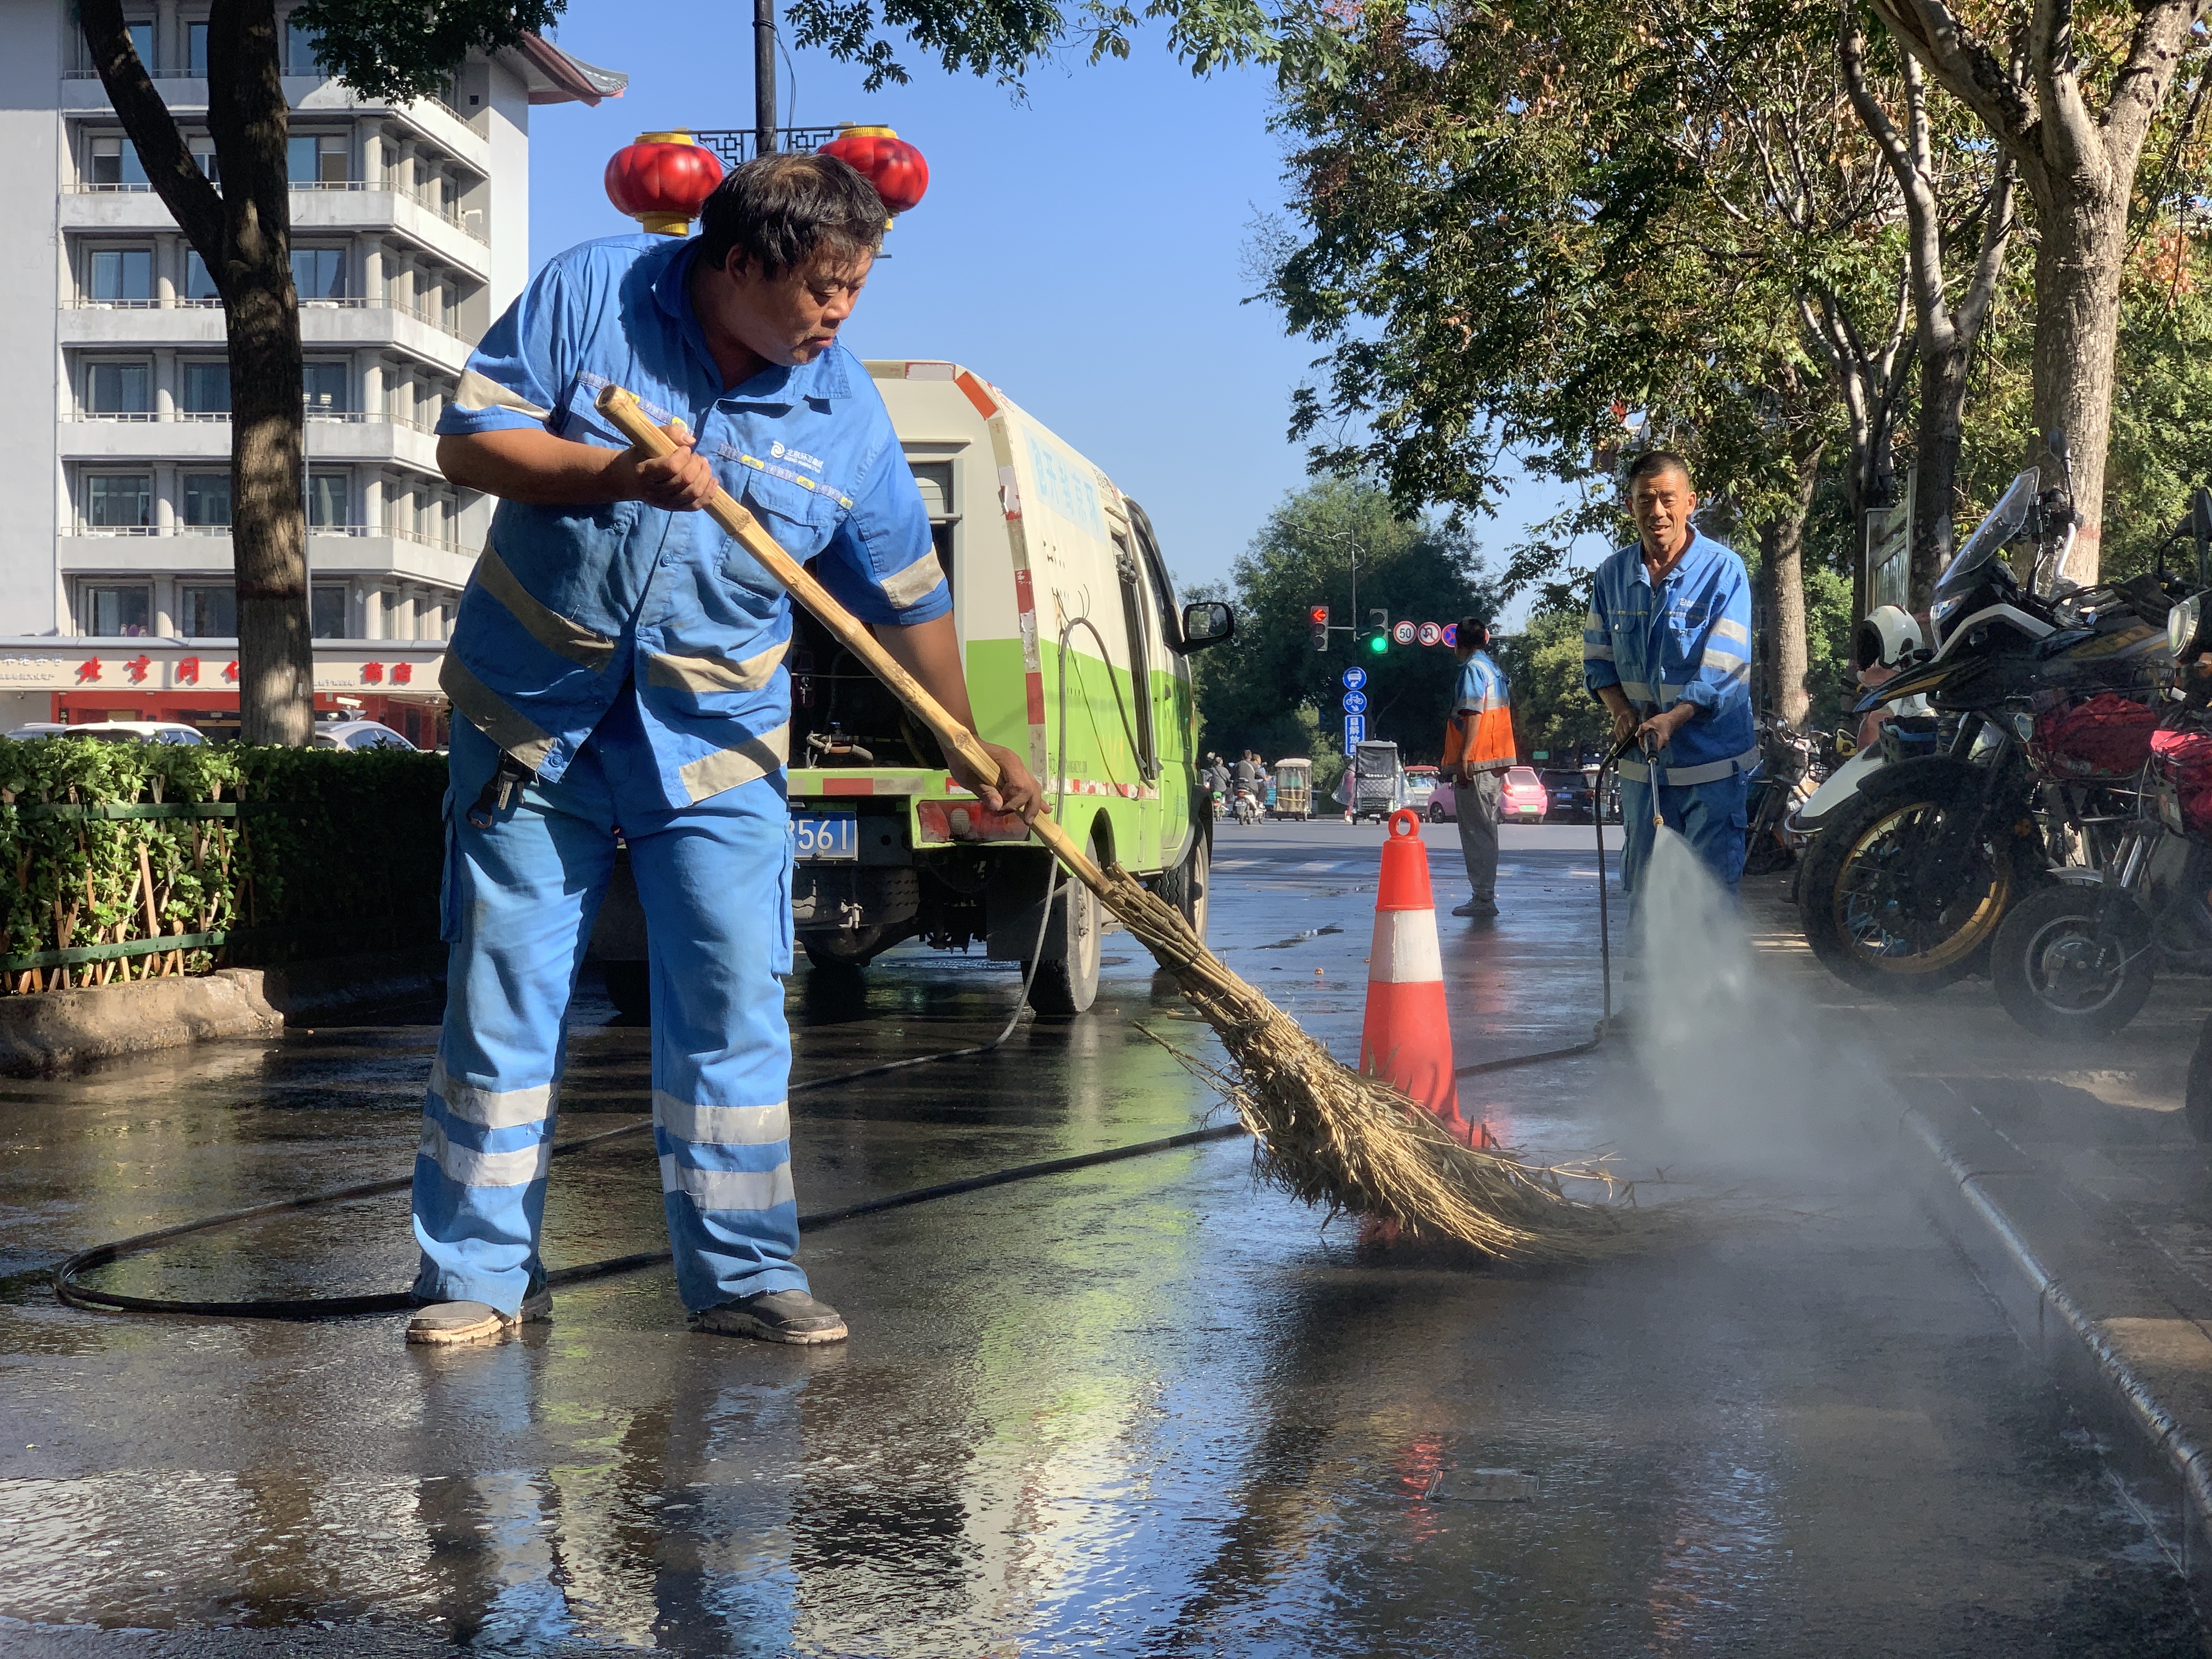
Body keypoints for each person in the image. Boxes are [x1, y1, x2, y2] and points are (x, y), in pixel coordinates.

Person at [408, 154, 1043, 1350]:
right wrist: (615, 473)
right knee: (500, 1004)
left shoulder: (843, 412)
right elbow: (471, 440)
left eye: (857, 286)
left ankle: (746, 1277)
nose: (840, 312)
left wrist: (963, 739)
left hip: (711, 748)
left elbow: (906, 596)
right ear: (740, 262)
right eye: (825, 286)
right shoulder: (594, 295)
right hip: (532, 725)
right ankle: (474, 1279)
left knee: (733, 1003)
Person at [1582, 450, 1755, 896]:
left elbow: (1725, 666)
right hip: (1644, 771)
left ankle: (1712, 971)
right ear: (1629, 506)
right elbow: (1597, 660)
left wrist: (1674, 718)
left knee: (1710, 896)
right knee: (1644, 890)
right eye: (1645, 499)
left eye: (1667, 498)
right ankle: (1644, 971)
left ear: (1690, 502)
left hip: (1711, 768)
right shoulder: (1612, 575)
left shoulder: (1724, 571)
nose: (1657, 512)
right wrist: (1619, 710)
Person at [1441, 618, 1516, 918]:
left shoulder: (1473, 669)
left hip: (1478, 764)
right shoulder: (1494, 669)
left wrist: (1463, 760)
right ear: (1485, 639)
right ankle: (1484, 895)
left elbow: (1473, 714)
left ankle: (1483, 898)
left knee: (1477, 832)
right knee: (1486, 829)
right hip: (1494, 761)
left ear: (1457, 643)